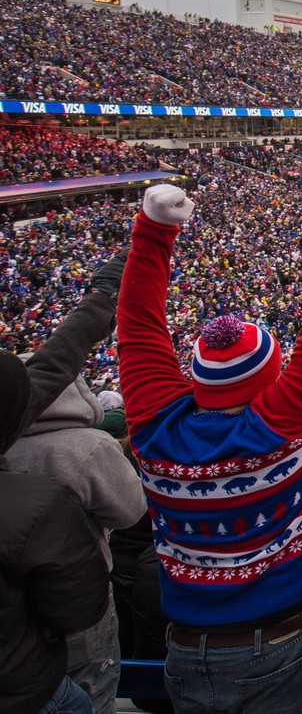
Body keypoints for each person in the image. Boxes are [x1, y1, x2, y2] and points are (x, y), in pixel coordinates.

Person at [118, 181, 302, 714]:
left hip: (185, 644)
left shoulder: (157, 430)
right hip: (286, 637)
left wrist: (154, 231)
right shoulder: (283, 425)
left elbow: (137, 329)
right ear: (273, 377)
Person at [7, 253, 143, 714]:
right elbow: (130, 511)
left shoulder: (16, 441)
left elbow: (46, 372)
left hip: (25, 638)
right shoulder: (84, 449)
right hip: (74, 607)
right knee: (92, 686)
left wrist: (100, 302)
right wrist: (102, 300)